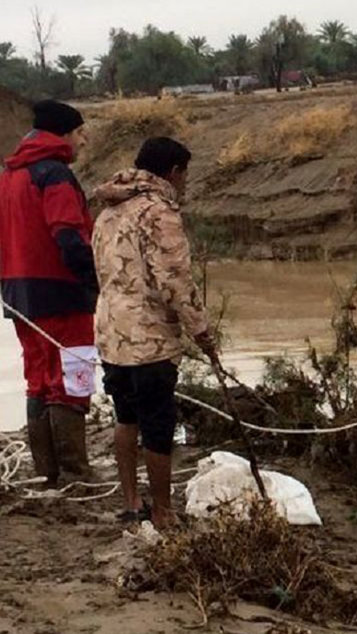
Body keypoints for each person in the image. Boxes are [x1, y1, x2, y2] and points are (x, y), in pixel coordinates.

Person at [92, 137, 219, 528]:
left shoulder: (108, 211)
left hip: (111, 331)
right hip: (148, 338)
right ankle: (163, 511)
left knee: (125, 416)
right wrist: (201, 331)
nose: (184, 185)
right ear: (174, 172)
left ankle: (133, 503)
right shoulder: (159, 212)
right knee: (158, 423)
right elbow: (175, 280)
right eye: (185, 176)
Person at [0, 100, 97, 487]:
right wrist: (94, 280)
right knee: (74, 376)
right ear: (65, 135)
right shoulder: (54, 174)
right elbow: (68, 234)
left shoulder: (9, 174)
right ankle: (75, 472)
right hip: (60, 288)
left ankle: (47, 472)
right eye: (80, 133)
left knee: (38, 377)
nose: (84, 140)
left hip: (18, 292)